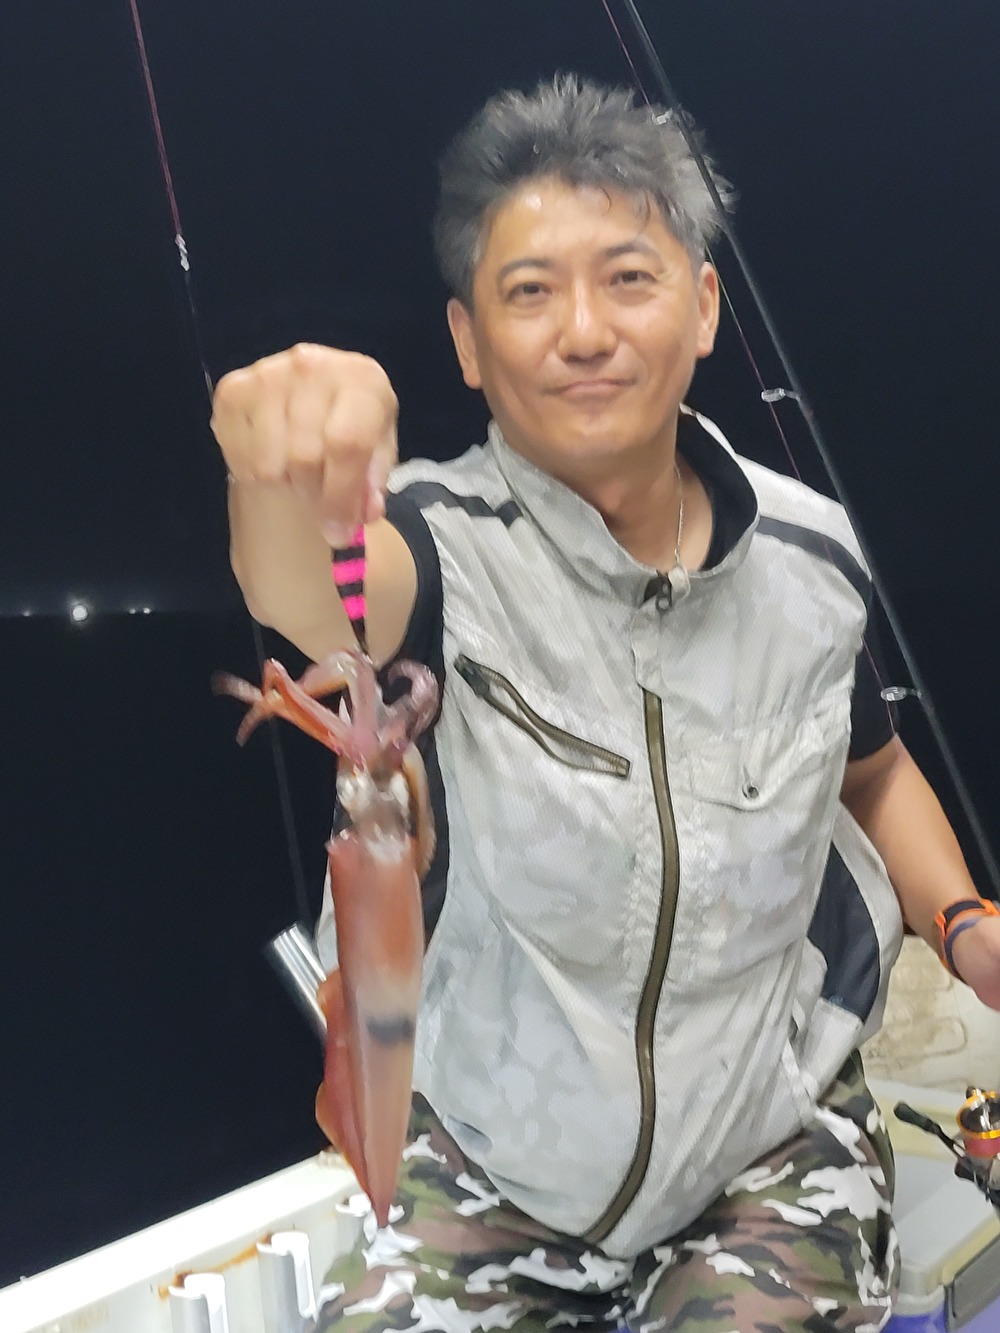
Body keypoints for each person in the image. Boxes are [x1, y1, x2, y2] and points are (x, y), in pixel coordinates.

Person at [212, 77, 1000, 1333]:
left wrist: (959, 923)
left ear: (703, 306)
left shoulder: (812, 560)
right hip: (495, 1174)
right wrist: (277, 473)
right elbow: (324, 596)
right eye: (529, 292)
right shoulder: (440, 544)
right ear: (467, 342)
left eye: (628, 278)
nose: (583, 331)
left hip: (769, 1154)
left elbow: (871, 767)